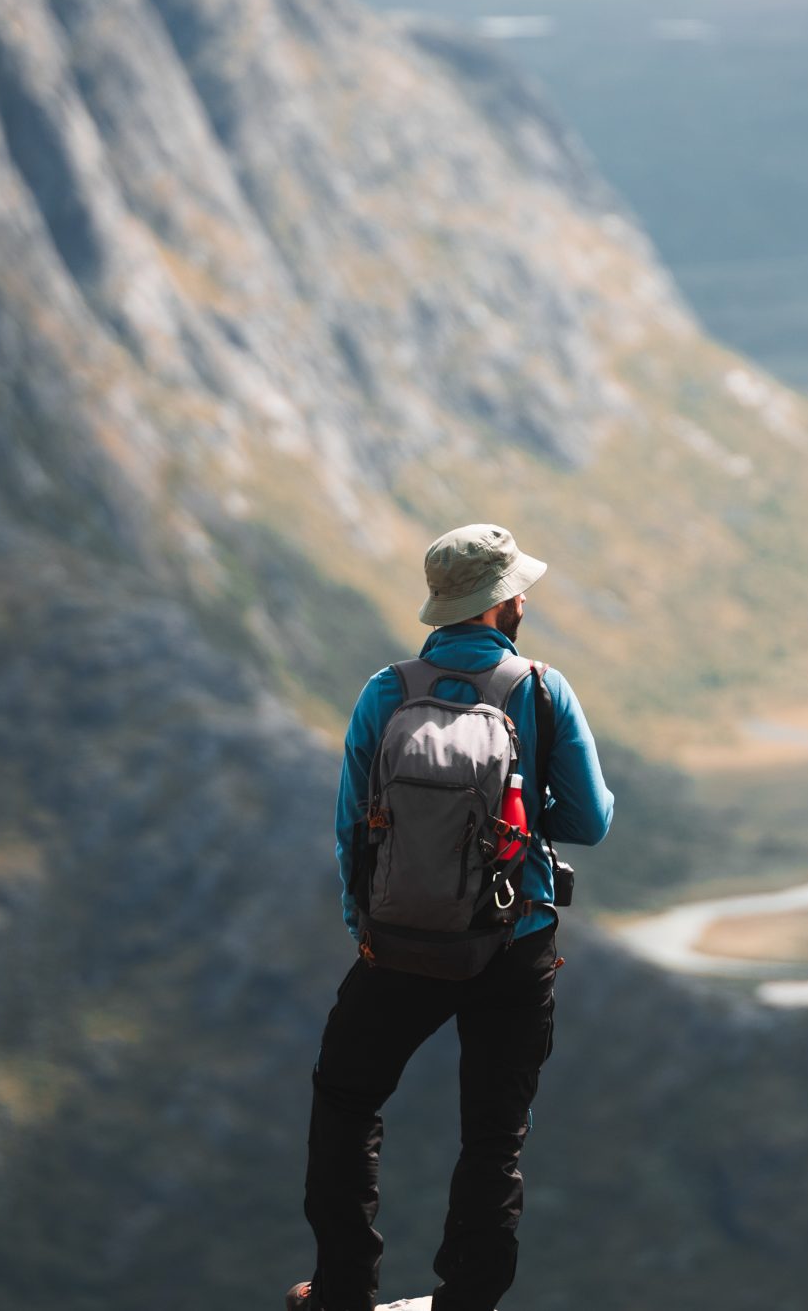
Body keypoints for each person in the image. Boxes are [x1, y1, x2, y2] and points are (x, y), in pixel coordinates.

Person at [288, 523, 615, 1311]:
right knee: (494, 1131)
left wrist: (370, 923)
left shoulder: (387, 691)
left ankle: (340, 1292)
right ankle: (465, 1299)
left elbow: (349, 826)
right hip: (515, 939)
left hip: (398, 943)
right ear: (504, 604)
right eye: (518, 589)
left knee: (346, 1100)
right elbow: (591, 818)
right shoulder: (541, 688)